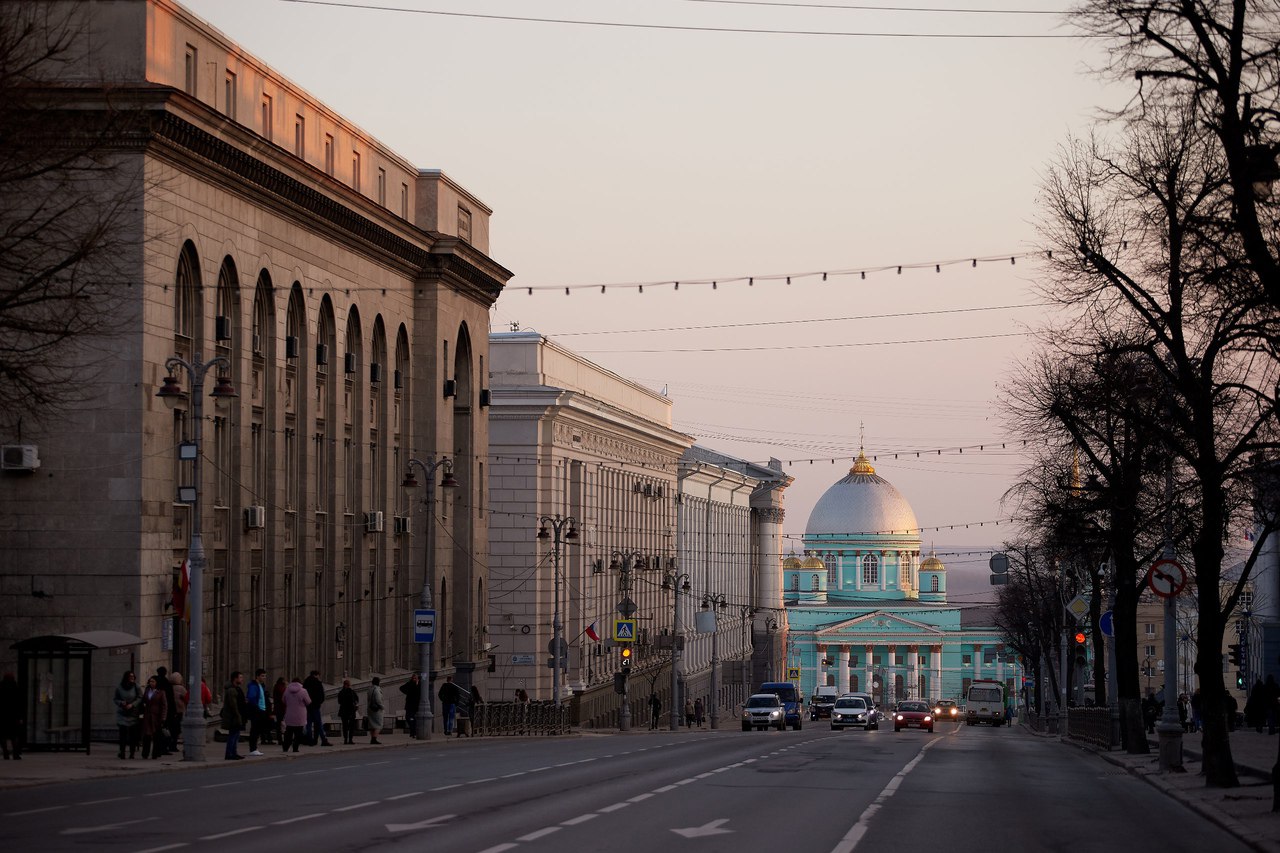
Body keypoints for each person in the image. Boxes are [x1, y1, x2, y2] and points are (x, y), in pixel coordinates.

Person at [113, 671, 142, 759]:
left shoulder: (136, 687)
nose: (132, 678)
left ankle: (132, 752)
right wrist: (122, 703)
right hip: (123, 713)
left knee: (133, 735)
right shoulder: (119, 687)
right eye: (130, 677)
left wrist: (132, 704)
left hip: (133, 713)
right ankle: (122, 752)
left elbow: (140, 697)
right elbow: (115, 699)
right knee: (123, 734)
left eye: (133, 677)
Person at [140, 675, 168, 760]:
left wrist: (163, 717)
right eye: (150, 681)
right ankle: (145, 753)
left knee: (156, 736)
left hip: (157, 716)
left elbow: (164, 706)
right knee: (147, 735)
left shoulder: (161, 692)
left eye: (153, 681)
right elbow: (144, 700)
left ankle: (155, 753)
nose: (151, 683)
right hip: (147, 715)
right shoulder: (147, 690)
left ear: (157, 683)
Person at [221, 670, 246, 760]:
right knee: (233, 735)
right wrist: (238, 716)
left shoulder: (237, 688)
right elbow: (233, 705)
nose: (242, 679)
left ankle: (234, 752)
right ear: (235, 679)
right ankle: (229, 753)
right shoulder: (231, 690)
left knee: (236, 735)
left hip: (237, 716)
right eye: (240, 677)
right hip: (233, 717)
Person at [280, 676, 310, 753]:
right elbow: (308, 702)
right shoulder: (303, 691)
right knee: (298, 733)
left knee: (288, 732)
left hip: (289, 714)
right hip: (300, 715)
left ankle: (285, 747)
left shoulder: (287, 690)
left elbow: (283, 700)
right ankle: (295, 748)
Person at [303, 670, 332, 746]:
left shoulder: (305, 682)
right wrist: (318, 702)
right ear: (316, 675)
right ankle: (323, 740)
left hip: (308, 706)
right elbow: (322, 696)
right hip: (315, 706)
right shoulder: (317, 683)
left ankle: (309, 739)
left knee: (308, 724)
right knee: (319, 723)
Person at [245, 669, 269, 755]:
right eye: (262, 676)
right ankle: (253, 749)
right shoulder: (253, 686)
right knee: (255, 729)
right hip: (256, 710)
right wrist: (257, 708)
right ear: (257, 676)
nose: (264, 678)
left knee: (258, 729)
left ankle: (255, 748)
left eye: (265, 676)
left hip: (262, 709)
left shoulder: (261, 685)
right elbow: (251, 698)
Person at [0, 672, 23, 761]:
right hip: (14, 716)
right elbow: (19, 704)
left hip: (2, 716)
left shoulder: (1, 687)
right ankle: (15, 754)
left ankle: (6, 753)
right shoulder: (15, 688)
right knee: (14, 736)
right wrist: (20, 717)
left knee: (2, 736)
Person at [167, 672, 188, 752]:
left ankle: (170, 744)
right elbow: (186, 698)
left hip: (171, 711)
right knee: (176, 729)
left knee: (171, 728)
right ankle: (173, 745)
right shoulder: (181, 688)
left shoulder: (169, 687)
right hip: (179, 711)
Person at [337, 678, 360, 744]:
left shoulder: (341, 692)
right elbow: (356, 700)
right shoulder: (351, 692)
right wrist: (355, 706)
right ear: (347, 685)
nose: (349, 686)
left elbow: (339, 701)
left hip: (344, 711)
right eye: (349, 685)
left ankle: (345, 739)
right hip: (351, 711)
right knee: (351, 726)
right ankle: (350, 739)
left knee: (345, 726)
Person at [399, 672, 421, 738]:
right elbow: (401, 688)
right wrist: (408, 692)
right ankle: (413, 732)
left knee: (412, 718)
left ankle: (413, 733)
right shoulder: (410, 683)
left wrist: (417, 684)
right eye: (413, 678)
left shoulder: (419, 684)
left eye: (415, 678)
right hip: (409, 704)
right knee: (408, 718)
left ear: (417, 679)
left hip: (415, 704)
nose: (414, 679)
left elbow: (418, 693)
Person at [367, 676, 385, 744]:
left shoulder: (370, 689)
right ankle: (374, 739)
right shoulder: (377, 690)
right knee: (379, 724)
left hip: (370, 708)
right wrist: (382, 707)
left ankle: (372, 738)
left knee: (372, 724)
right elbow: (378, 700)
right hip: (376, 710)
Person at [271, 676, 288, 744]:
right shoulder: (281, 687)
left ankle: (280, 739)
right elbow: (283, 697)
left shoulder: (277, 686)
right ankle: (281, 739)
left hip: (278, 708)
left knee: (279, 724)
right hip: (281, 708)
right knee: (281, 724)